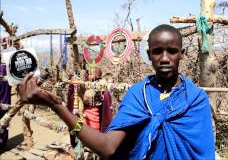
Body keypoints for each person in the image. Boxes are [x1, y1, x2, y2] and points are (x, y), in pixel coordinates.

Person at [17, 24, 215, 159]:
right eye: (157, 51)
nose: (164, 58)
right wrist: (57, 106)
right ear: (149, 55)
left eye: (172, 51)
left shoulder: (195, 100)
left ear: (182, 53)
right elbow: (108, 148)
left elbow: (202, 153)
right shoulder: (139, 95)